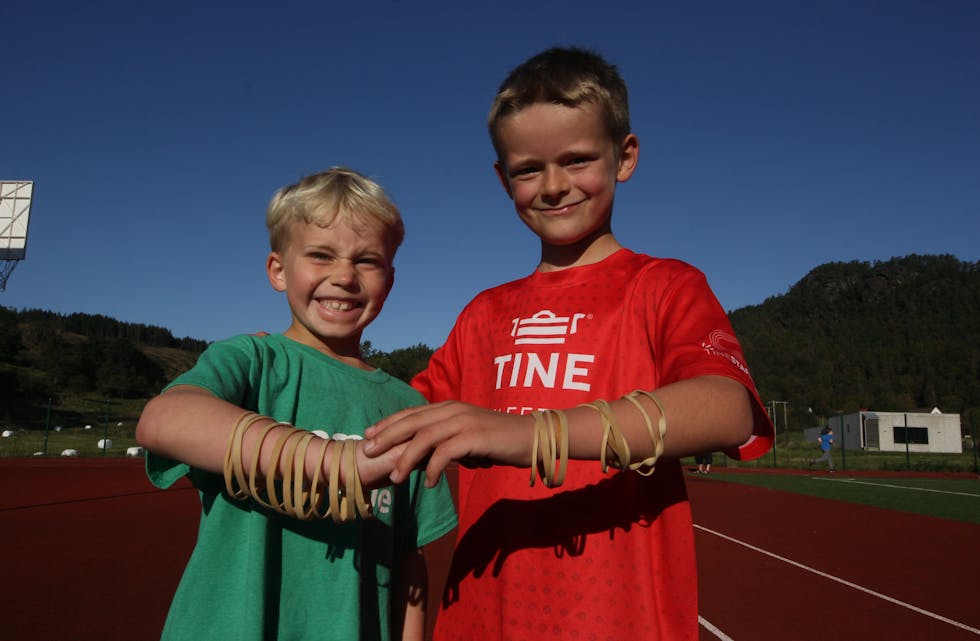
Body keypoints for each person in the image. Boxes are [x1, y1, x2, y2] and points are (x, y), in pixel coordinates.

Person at [363, 47, 774, 640]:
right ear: (503, 180)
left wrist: (527, 433)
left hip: (614, 619)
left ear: (624, 157)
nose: (554, 186)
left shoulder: (663, 286)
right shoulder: (483, 313)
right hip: (478, 618)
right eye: (529, 169)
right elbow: (396, 414)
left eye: (578, 160)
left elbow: (728, 407)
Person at [135, 167, 458, 641]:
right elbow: (162, 419)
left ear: (389, 279)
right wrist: (333, 460)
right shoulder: (251, 360)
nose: (344, 276)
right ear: (278, 271)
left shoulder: (406, 404)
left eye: (367, 261)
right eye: (321, 255)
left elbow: (410, 556)